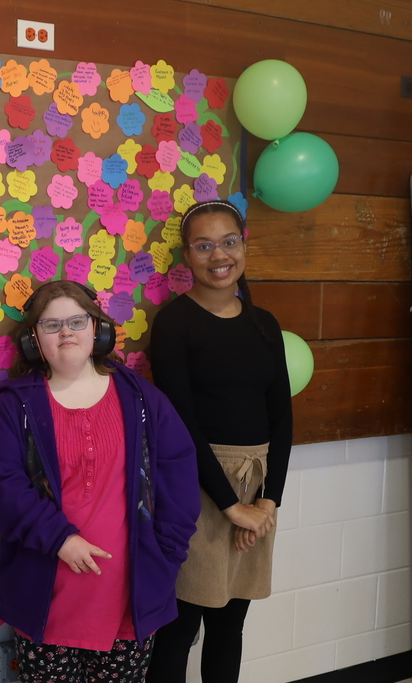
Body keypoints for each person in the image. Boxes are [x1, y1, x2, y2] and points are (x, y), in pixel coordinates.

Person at [0, 279, 201, 683]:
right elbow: (0, 488)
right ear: (33, 341)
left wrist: (167, 555)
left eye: (77, 321)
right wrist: (60, 538)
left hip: (129, 601)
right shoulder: (14, 407)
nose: (66, 333)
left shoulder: (141, 398)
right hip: (47, 600)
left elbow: (179, 476)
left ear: (98, 329)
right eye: (51, 325)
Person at [146, 200, 293, 683]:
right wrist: (233, 508)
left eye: (229, 242)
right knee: (180, 627)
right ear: (186, 257)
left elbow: (283, 421)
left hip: (256, 488)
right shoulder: (173, 324)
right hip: (197, 490)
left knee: (230, 626)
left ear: (243, 245)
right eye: (204, 246)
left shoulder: (264, 324)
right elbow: (182, 425)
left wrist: (267, 502)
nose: (219, 255)